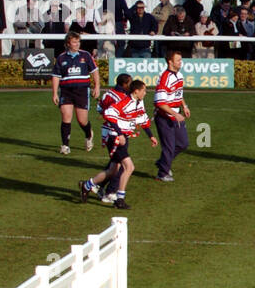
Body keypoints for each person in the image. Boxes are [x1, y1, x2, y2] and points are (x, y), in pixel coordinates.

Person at [78, 78, 156, 210]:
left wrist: (151, 136)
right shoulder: (125, 102)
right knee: (129, 167)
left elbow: (143, 119)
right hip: (115, 138)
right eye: (144, 90)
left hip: (121, 137)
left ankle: (87, 185)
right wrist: (119, 133)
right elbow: (109, 114)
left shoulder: (138, 103)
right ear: (136, 91)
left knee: (113, 170)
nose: (145, 93)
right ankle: (119, 199)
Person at [51, 31, 101, 154]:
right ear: (68, 43)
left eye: (78, 41)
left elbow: (94, 71)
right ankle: (65, 146)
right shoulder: (62, 57)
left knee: (82, 120)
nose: (77, 44)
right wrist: (55, 93)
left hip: (82, 91)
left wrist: (97, 87)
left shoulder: (86, 55)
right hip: (66, 91)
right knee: (66, 117)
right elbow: (56, 76)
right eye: (74, 42)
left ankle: (89, 135)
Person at [153, 49, 190, 182]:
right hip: (164, 117)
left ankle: (163, 162)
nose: (181, 62)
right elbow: (159, 103)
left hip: (176, 114)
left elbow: (178, 94)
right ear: (170, 62)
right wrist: (175, 114)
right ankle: (162, 173)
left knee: (183, 143)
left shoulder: (179, 76)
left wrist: (184, 106)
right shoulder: (165, 78)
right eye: (178, 60)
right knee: (169, 146)